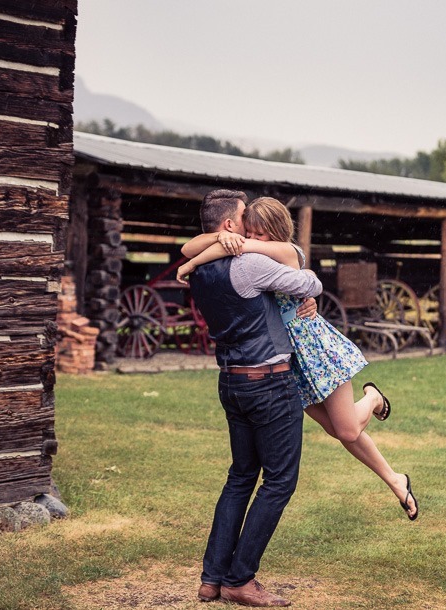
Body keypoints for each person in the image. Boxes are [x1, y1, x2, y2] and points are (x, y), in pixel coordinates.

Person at [178, 196, 419, 526]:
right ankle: (395, 480)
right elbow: (190, 246)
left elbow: (200, 251)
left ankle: (373, 397)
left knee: (347, 429)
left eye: (259, 233)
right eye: (249, 232)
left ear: (275, 232)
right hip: (283, 360)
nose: (252, 239)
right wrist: (219, 237)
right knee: (337, 430)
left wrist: (195, 263)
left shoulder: (288, 253)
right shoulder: (250, 250)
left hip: (313, 349)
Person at [189, 189, 322, 608]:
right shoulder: (249, 264)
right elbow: (309, 280)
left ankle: (211, 579)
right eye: (244, 216)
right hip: (269, 383)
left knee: (241, 477)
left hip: (231, 381)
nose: (249, 223)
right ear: (229, 225)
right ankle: (239, 579)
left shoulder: (199, 273)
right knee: (279, 481)